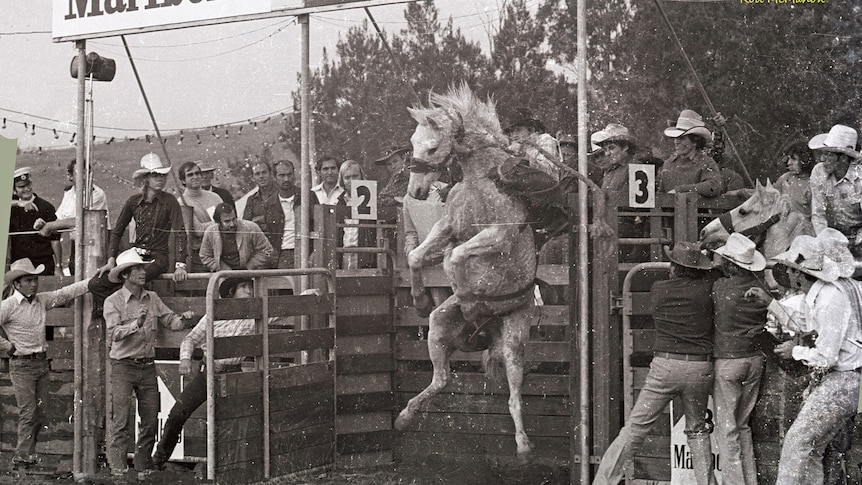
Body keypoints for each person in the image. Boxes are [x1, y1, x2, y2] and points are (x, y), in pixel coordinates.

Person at [593, 242, 717, 485]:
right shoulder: (708, 290)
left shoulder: (659, 289)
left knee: (636, 427)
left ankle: (603, 482)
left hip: (665, 366)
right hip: (700, 367)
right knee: (697, 430)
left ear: (674, 267)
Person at [748, 229, 862, 484]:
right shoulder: (828, 293)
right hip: (847, 380)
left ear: (799, 273)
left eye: (789, 268)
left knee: (797, 442)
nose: (786, 273)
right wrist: (771, 303)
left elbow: (827, 357)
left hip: (843, 378)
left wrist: (794, 351)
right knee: (810, 448)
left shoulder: (830, 298)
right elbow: (803, 319)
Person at [104, 248, 194, 477]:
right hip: (122, 366)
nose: (143, 272)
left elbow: (170, 320)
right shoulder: (112, 302)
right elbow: (113, 333)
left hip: (146, 366)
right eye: (137, 268)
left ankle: (142, 469)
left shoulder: (152, 298)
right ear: (125, 275)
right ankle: (119, 472)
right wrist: (137, 323)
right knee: (120, 421)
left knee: (151, 419)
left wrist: (183, 319)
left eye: (142, 267)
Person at [152, 277, 256, 470]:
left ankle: (232, 469)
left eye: (250, 287)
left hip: (233, 376)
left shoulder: (253, 315)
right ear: (231, 293)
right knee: (177, 413)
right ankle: (159, 459)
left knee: (233, 423)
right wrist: (185, 358)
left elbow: (280, 312)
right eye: (243, 287)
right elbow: (191, 338)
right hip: (208, 372)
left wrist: (306, 296)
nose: (249, 291)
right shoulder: (213, 315)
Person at [0, 258, 90, 469]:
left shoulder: (41, 300)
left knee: (40, 413)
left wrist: (91, 283)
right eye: (28, 280)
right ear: (17, 284)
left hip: (41, 363)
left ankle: (27, 454)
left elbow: (65, 293)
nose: (34, 284)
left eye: (35, 279)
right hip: (21, 364)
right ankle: (22, 457)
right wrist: (6, 346)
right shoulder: (8, 306)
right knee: (28, 411)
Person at [709, 233, 768, 485]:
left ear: (730, 264)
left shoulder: (720, 288)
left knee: (727, 428)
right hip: (754, 359)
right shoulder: (760, 288)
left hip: (728, 360)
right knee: (742, 425)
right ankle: (749, 481)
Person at [96, 153, 188, 284]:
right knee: (97, 284)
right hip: (136, 256)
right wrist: (111, 260)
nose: (160, 179)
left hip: (158, 258)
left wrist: (180, 265)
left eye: (162, 175)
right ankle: (115, 304)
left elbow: (180, 233)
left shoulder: (169, 201)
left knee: (131, 280)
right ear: (146, 179)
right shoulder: (133, 202)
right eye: (155, 175)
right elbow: (117, 231)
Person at [37, 159, 109, 275]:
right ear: (70, 176)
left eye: (88, 172)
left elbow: (81, 220)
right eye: (80, 172)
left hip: (96, 248)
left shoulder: (96, 194)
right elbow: (59, 220)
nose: (85, 176)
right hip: (77, 247)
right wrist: (43, 224)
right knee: (74, 273)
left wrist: (50, 226)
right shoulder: (69, 194)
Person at [808, 124, 862, 257]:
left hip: (858, 239)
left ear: (843, 158)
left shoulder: (860, 179)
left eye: (828, 154)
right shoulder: (819, 172)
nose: (822, 159)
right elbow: (818, 213)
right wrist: (826, 241)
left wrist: (856, 243)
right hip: (830, 235)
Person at [9, 167, 61, 275]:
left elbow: (55, 240)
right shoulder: (12, 209)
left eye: (28, 185)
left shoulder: (46, 207)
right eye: (21, 187)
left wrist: (58, 266)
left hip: (44, 264)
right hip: (19, 265)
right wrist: (18, 203)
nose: (27, 189)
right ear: (14, 190)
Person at [659, 110, 723, 197]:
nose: (676, 142)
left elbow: (714, 186)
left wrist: (681, 190)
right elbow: (660, 196)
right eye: (675, 138)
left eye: (681, 138)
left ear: (695, 142)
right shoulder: (668, 164)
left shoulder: (706, 163)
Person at [177, 161, 222, 273]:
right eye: (190, 175)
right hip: (199, 257)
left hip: (221, 251)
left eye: (197, 173)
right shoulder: (182, 203)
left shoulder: (215, 197)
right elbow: (197, 230)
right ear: (183, 180)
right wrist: (220, 223)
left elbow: (228, 220)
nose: (195, 177)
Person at [199, 203, 273, 272]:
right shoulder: (210, 232)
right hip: (223, 274)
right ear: (218, 222)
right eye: (227, 221)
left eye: (234, 219)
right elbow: (205, 256)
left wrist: (250, 266)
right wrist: (224, 269)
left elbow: (267, 250)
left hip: (250, 272)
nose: (232, 224)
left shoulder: (251, 228)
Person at [336, 160, 375, 269]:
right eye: (347, 177)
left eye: (355, 176)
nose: (351, 181)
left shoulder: (370, 199)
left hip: (364, 254)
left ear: (361, 177)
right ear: (342, 180)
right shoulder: (340, 202)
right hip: (344, 253)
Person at [505, 108, 561, 181]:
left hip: (546, 189)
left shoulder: (545, 139)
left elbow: (549, 171)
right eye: (511, 131)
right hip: (524, 189)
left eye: (518, 130)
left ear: (531, 129)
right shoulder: (515, 147)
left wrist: (525, 158)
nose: (514, 135)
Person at [774, 141, 816, 217]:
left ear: (805, 160)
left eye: (794, 159)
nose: (789, 163)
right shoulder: (785, 178)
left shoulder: (812, 185)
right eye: (789, 159)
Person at [376, 141, 411, 209]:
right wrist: (396, 199)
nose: (393, 166)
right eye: (389, 164)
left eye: (395, 161)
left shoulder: (416, 174)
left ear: (403, 159)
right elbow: (381, 198)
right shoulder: (396, 179)